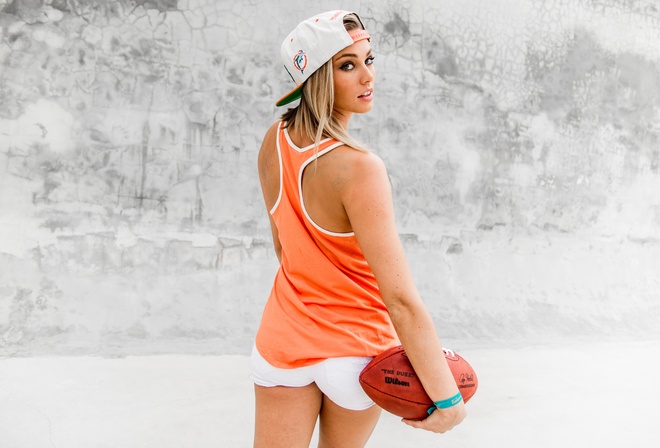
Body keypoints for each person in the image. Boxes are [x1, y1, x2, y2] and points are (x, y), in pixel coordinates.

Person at [252, 10, 466, 447]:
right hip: (356, 358)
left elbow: (283, 247)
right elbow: (401, 300)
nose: (367, 76)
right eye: (347, 65)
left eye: (369, 59)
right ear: (316, 78)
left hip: (281, 344)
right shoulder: (361, 169)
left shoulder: (274, 139)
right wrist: (448, 399)